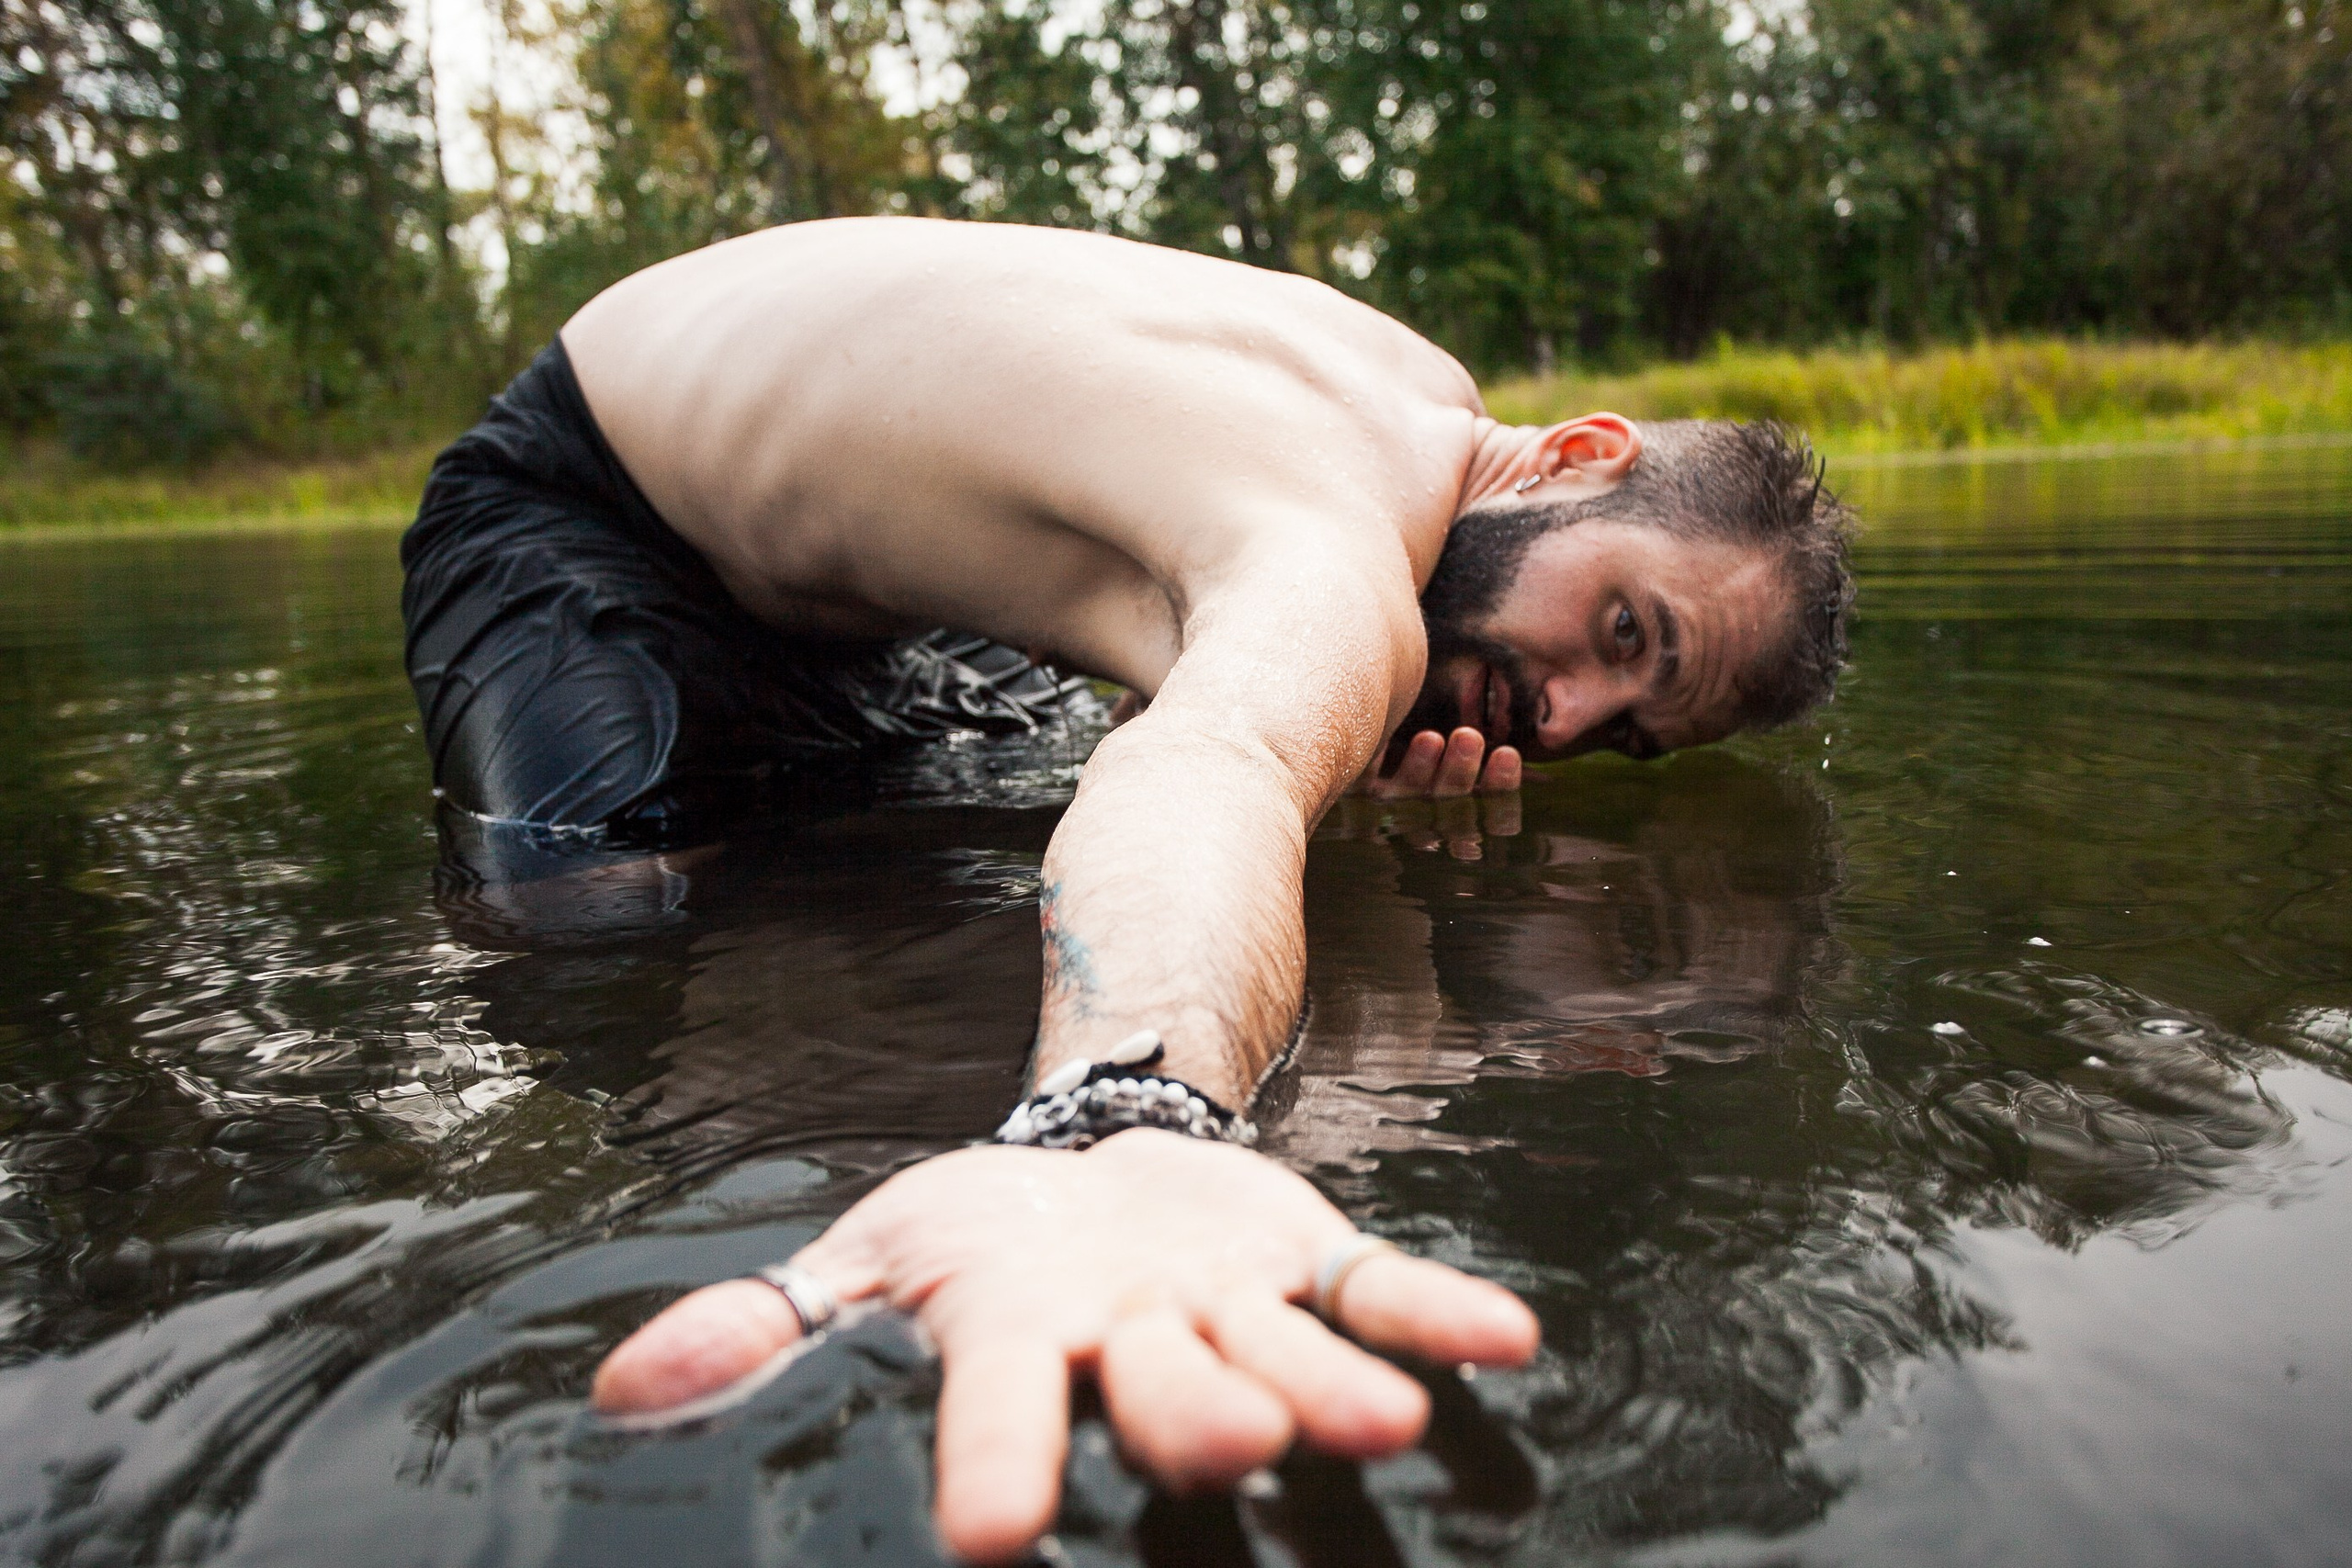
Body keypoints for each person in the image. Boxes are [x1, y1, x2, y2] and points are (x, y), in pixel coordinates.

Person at [398, 215, 1855, 1563]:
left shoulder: (1413, 397)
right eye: (1619, 629)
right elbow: (1211, 767)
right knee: (584, 915)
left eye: (1630, 736)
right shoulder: (1342, 555)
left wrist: (1341, 777)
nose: (1568, 716)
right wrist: (1134, 1111)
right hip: (584, 500)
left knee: (984, 776)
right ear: (1578, 455)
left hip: (866, 601)